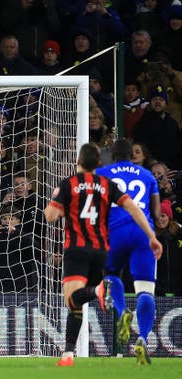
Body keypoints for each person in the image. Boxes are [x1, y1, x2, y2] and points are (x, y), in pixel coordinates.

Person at [44, 143, 162, 367]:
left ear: (79, 162)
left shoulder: (79, 181)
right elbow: (146, 210)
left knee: (75, 297)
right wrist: (151, 235)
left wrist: (57, 198)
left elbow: (51, 216)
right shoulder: (135, 178)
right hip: (120, 241)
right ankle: (141, 338)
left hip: (91, 243)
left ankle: (108, 300)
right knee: (146, 291)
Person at [96, 139, 161, 365]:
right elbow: (157, 212)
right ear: (132, 155)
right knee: (145, 291)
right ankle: (142, 337)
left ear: (112, 155)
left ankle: (123, 310)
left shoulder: (102, 173)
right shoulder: (147, 175)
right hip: (144, 233)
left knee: (110, 274)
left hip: (115, 232)